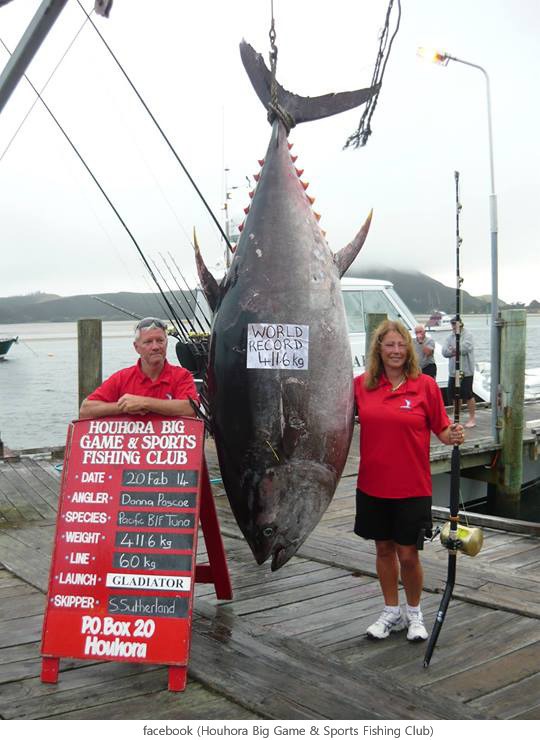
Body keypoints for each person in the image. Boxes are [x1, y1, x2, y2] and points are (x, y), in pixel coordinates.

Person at [354, 320, 464, 642]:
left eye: (401, 345)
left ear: (410, 349)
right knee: (384, 550)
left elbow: (443, 432)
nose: (396, 351)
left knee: (408, 555)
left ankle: (414, 613)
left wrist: (453, 434)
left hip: (412, 487)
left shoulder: (425, 386)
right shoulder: (361, 385)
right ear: (379, 349)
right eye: (389, 345)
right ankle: (391, 612)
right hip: (372, 485)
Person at [79, 317, 197, 419]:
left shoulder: (182, 375)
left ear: (166, 343)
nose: (155, 346)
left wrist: (145, 403)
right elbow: (85, 410)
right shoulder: (122, 377)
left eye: (160, 340)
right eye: (148, 342)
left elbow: (191, 409)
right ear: (136, 347)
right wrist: (124, 407)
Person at [442, 316, 476, 428]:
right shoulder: (449, 337)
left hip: (466, 371)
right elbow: (444, 352)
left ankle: (472, 418)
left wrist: (454, 349)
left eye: (455, 324)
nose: (453, 326)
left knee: (468, 394)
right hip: (454, 371)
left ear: (461, 324)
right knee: (455, 395)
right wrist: (454, 350)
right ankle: (457, 418)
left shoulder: (468, 335)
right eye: (452, 324)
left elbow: (466, 348)